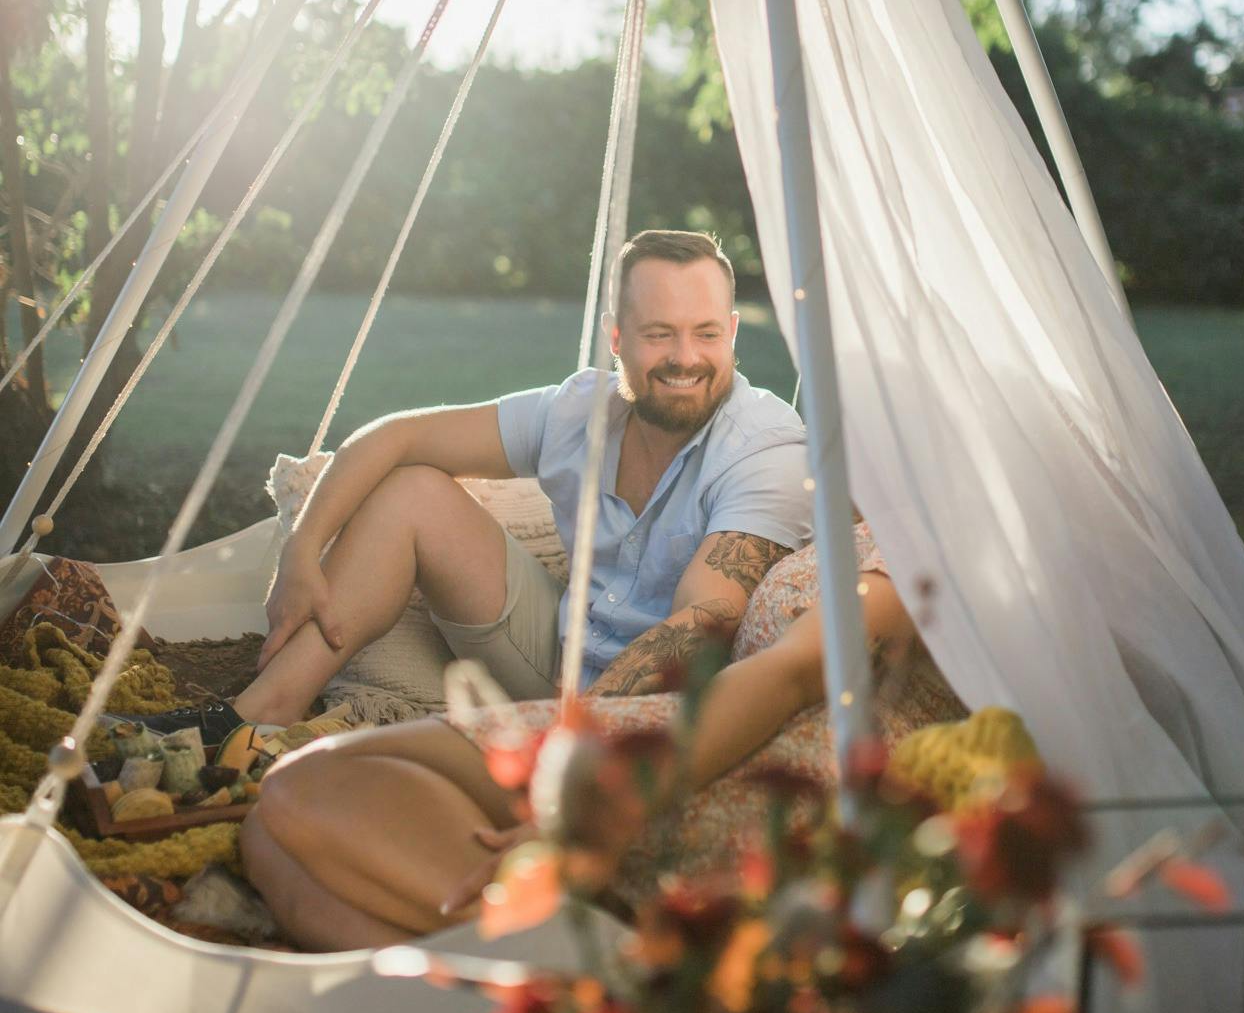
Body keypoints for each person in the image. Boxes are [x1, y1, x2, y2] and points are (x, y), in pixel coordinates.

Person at [147, 230, 812, 748]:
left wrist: (565, 737)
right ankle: (259, 713)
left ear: (731, 333)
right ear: (617, 338)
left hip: (661, 712)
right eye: (659, 333)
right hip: (556, 652)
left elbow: (705, 620)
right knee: (412, 489)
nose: (685, 358)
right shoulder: (579, 411)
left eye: (706, 333)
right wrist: (301, 549)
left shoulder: (766, 447)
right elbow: (398, 436)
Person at [240, 520, 965, 949]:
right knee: (268, 838)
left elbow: (791, 674)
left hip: (764, 769)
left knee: (308, 786)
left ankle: (600, 980)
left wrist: (598, 817)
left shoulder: (919, 543)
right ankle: (519, 998)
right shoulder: (854, 516)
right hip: (715, 730)